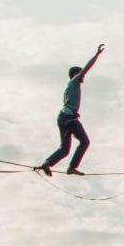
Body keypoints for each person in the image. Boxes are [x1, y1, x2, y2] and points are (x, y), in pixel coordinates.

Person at [37, 44, 105, 177]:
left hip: (63, 117)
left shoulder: (69, 88)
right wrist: (96, 55)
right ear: (76, 74)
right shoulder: (74, 81)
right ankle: (72, 167)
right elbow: (87, 68)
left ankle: (48, 163)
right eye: (81, 75)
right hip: (70, 117)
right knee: (85, 142)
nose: (83, 77)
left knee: (64, 149)